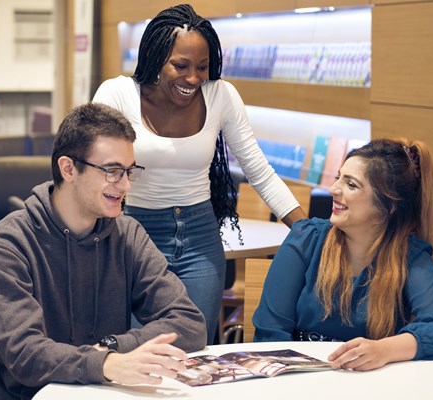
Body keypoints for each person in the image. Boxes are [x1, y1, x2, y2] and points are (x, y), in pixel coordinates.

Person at [92, 3, 306, 344]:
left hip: (200, 238)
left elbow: (258, 168)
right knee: (138, 347)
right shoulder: (117, 94)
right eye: (181, 65)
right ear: (155, 58)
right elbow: (95, 169)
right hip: (134, 234)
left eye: (203, 67)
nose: (193, 78)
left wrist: (307, 231)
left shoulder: (221, 95)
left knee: (196, 347)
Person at [0, 103, 207, 399]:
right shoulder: (8, 246)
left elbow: (189, 323)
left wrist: (111, 348)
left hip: (102, 392)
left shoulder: (127, 234)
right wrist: (107, 364)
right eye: (112, 171)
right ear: (68, 168)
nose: (124, 185)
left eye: (129, 171)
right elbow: (26, 355)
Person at [253, 138, 433, 371]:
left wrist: (385, 350)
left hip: (370, 383)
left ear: (388, 206)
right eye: (338, 178)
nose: (333, 190)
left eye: (351, 185)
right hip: (294, 376)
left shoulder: (410, 256)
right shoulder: (307, 238)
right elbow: (269, 333)